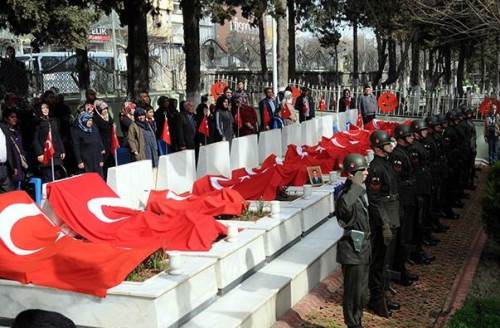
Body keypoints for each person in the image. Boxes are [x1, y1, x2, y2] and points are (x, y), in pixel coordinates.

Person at [365, 130, 400, 317]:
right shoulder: (376, 168)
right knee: (379, 262)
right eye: (387, 144)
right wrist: (384, 223)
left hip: (390, 215)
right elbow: (374, 199)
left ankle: (382, 296)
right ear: (379, 147)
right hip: (381, 221)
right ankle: (376, 300)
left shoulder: (385, 163)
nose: (390, 146)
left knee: (386, 260)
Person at [336, 153, 370, 328]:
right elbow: (345, 213)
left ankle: (358, 321)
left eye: (365, 169)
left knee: (361, 292)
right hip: (352, 249)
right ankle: (353, 324)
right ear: (350, 174)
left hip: (364, 248)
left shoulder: (362, 190)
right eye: (360, 170)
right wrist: (355, 186)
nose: (365, 173)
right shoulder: (345, 195)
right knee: (353, 293)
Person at [33, 102, 65, 182]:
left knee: (58, 176)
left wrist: (62, 150)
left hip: (56, 153)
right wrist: (39, 153)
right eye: (43, 108)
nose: (45, 110)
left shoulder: (53, 121)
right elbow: (35, 139)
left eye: (46, 108)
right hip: (45, 153)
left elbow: (58, 136)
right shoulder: (37, 123)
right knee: (48, 177)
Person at [71, 112, 105, 177]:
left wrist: (101, 159)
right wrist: (79, 161)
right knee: (89, 178)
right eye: (88, 120)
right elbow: (76, 147)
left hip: (96, 158)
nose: (90, 122)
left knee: (100, 177)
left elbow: (98, 141)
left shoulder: (94, 128)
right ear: (83, 120)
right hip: (86, 160)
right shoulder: (77, 131)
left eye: (91, 120)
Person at [2, 107, 28, 185]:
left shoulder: (17, 132)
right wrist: (13, 167)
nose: (14, 119)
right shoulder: (4, 133)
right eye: (12, 117)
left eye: (15, 117)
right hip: (12, 166)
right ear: (6, 119)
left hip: (20, 164)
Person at [92, 100, 115, 176]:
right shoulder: (96, 119)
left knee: (110, 163)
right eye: (103, 110)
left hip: (110, 144)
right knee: (103, 164)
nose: (105, 111)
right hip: (102, 144)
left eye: (106, 109)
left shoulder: (108, 117)